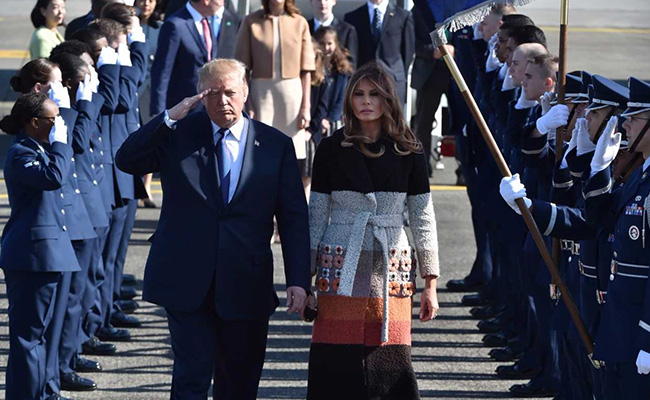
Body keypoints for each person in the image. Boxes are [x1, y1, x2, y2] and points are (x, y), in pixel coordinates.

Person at [115, 58, 311, 399]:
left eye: (230, 93)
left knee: (238, 383)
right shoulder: (179, 135)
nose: (223, 101)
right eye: (213, 94)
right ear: (200, 97)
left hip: (246, 283)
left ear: (245, 93)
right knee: (191, 376)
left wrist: (298, 279)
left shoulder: (275, 146)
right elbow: (127, 159)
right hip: (187, 281)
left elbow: (294, 218)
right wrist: (169, 117)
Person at [306, 62, 440, 399]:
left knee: (390, 355)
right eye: (359, 94)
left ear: (388, 100)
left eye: (375, 95)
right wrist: (304, 278)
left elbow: (423, 216)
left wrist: (431, 283)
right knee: (336, 356)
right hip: (341, 260)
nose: (366, 102)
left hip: (390, 260)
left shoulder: (409, 149)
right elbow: (317, 214)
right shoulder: (331, 147)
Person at [0, 92, 79, 400]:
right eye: (53, 119)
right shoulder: (21, 152)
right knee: (28, 339)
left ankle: (42, 393)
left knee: (43, 336)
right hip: (32, 257)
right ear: (35, 123)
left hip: (50, 255)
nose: (59, 124)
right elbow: (54, 177)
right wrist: (60, 143)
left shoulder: (39, 148)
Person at [234, 0, 315, 192]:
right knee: (260, 152)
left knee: (292, 155)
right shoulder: (250, 21)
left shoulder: (300, 22)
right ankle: (264, 209)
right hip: (261, 93)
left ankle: (289, 209)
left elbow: (307, 70)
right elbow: (241, 67)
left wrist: (306, 107)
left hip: (292, 95)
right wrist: (248, 100)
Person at [150, 0, 242, 117]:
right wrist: (159, 114)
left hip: (212, 108)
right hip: (185, 109)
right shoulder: (176, 24)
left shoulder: (210, 21)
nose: (222, 3)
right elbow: (162, 72)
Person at [344, 0, 414, 105]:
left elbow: (408, 52)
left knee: (392, 120)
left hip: (393, 82)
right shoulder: (353, 17)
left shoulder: (403, 16)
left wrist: (396, 73)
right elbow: (351, 54)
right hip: (363, 82)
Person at [410, 6, 450, 176]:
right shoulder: (419, 9)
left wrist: (453, 49)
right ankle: (423, 166)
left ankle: (463, 169)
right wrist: (431, 51)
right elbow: (411, 42)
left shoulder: (456, 6)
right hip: (429, 75)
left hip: (453, 72)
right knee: (423, 124)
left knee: (462, 121)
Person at [135, 0, 164, 207]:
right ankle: (133, 188)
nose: (146, 4)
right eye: (142, 0)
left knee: (150, 136)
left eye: (151, 1)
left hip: (152, 90)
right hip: (133, 89)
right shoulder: (129, 26)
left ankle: (145, 187)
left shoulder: (161, 28)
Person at [311, 26, 352, 145]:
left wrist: (329, 119)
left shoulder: (342, 70)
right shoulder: (312, 68)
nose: (326, 48)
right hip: (315, 121)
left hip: (333, 121)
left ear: (336, 44)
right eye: (322, 44)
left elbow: (342, 97)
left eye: (329, 43)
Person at [307, 0, 358, 67]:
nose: (322, 3)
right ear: (311, 1)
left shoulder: (347, 30)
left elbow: (352, 64)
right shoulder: (305, 28)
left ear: (334, 1)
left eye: (326, 0)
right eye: (318, 0)